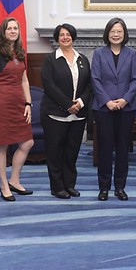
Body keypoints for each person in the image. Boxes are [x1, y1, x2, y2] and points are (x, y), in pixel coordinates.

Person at [0, 17, 34, 202]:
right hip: (0, 103)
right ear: (3, 32)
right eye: (9, 28)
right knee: (1, 145)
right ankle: (4, 185)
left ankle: (14, 180)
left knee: (27, 143)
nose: (12, 31)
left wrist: (28, 103)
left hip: (19, 103)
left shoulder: (20, 52)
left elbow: (24, 80)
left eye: (15, 28)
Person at [40, 23, 93, 199]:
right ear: (57, 38)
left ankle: (69, 185)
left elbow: (89, 85)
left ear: (73, 37)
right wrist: (67, 104)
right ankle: (57, 187)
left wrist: (80, 102)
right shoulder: (50, 59)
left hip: (78, 115)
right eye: (61, 35)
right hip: (55, 114)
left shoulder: (82, 59)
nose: (65, 37)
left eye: (68, 34)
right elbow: (49, 85)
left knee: (72, 152)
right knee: (55, 153)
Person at [91, 18, 136, 201]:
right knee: (104, 148)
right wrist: (107, 101)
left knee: (122, 149)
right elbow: (95, 79)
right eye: (112, 31)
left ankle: (120, 187)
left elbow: (135, 80)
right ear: (107, 33)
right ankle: (104, 188)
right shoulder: (98, 53)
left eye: (119, 31)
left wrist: (125, 100)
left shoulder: (132, 53)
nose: (116, 34)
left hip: (126, 109)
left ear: (124, 34)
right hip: (104, 109)